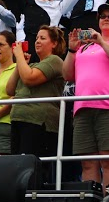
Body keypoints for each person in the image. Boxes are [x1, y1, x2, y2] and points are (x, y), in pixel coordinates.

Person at [64, 4, 109, 188]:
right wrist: (72, 50)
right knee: (87, 164)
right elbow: (67, 75)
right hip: (82, 108)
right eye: (102, 16)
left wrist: (102, 43)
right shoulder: (84, 47)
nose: (105, 19)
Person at [6, 26, 65, 159]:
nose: (37, 41)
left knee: (31, 164)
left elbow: (29, 79)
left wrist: (19, 56)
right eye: (37, 38)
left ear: (54, 43)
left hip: (38, 122)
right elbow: (9, 89)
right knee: (17, 164)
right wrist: (21, 64)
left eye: (42, 38)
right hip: (19, 119)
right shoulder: (31, 66)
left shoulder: (55, 61)